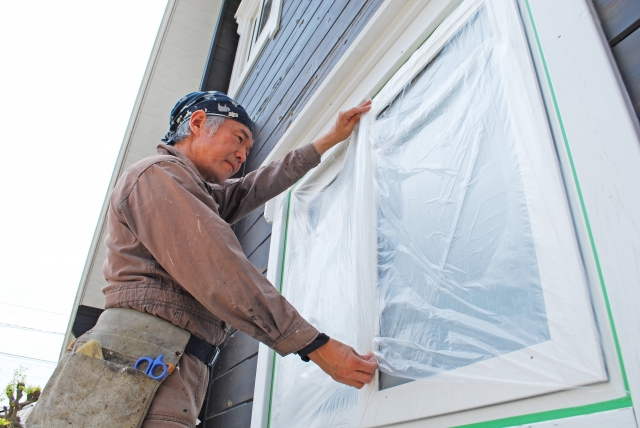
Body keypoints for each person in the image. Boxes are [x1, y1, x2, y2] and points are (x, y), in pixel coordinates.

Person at [71, 91, 375, 427]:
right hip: (140, 363)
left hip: (161, 363)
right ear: (198, 123)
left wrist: (326, 141)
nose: (244, 154)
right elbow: (221, 269)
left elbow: (251, 187)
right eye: (239, 138)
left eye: (248, 148)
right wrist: (315, 345)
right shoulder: (157, 176)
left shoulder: (193, 189)